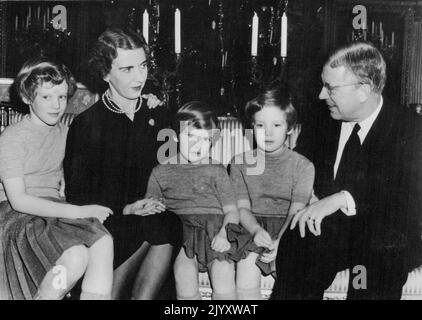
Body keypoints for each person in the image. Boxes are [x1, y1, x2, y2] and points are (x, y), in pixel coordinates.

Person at [271, 41, 422, 300]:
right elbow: (297, 171)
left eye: (330, 88)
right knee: (300, 238)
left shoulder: (409, 128)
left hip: (388, 232)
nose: (321, 95)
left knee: (378, 256)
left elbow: (407, 199)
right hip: (333, 230)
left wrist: (343, 198)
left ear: (363, 89)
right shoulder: (322, 119)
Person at [63, 28, 182, 300]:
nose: (140, 77)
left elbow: (174, 174)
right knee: (155, 227)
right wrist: (126, 208)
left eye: (142, 66)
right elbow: (78, 196)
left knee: (166, 224)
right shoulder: (87, 125)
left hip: (157, 216)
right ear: (105, 73)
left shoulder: (160, 115)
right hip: (110, 220)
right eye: (127, 69)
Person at [0, 58, 114, 300]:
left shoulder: (66, 132)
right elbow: (19, 200)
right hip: (16, 215)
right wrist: (77, 211)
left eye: (62, 97)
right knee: (76, 257)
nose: (56, 105)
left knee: (103, 241)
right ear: (28, 97)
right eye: (46, 97)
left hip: (52, 210)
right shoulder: (12, 138)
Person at [144, 101, 241, 300]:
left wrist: (224, 233)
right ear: (177, 135)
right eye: (190, 136)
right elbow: (150, 211)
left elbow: (232, 211)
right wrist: (152, 206)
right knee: (183, 278)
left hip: (215, 231)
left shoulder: (217, 170)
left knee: (224, 277)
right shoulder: (160, 171)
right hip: (181, 234)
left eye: (205, 139)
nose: (197, 145)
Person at [229, 89, 314, 300]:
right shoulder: (239, 163)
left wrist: (282, 241)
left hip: (290, 226)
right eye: (260, 125)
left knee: (294, 272)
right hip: (251, 225)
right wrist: (256, 230)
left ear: (289, 129)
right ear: (251, 127)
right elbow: (242, 208)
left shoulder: (303, 165)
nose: (267, 133)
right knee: (245, 269)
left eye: (276, 125)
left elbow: (297, 210)